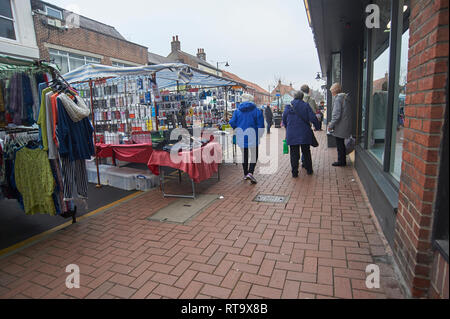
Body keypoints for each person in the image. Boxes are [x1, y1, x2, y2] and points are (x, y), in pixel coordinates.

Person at [282, 91, 320, 177]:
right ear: (302, 97)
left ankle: (294, 173)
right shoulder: (305, 105)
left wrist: (287, 127)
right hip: (304, 133)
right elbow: (313, 118)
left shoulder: (288, 107)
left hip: (292, 134)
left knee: (294, 153)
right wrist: (317, 126)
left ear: (294, 97)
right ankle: (309, 170)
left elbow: (284, 120)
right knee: (306, 152)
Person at [229, 100, 265, 184]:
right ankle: (250, 172)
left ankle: (245, 173)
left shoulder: (237, 111)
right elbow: (261, 125)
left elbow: (232, 122)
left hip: (241, 135)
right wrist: (260, 134)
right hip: (253, 135)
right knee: (254, 155)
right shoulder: (257, 111)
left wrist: (236, 127)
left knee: (244, 155)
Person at [328, 83, 352, 167]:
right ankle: (342, 160)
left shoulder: (338, 99)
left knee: (340, 144)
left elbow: (336, 114)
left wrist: (331, 125)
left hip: (340, 125)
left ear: (335, 91)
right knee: (341, 143)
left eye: (331, 91)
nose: (331, 93)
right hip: (345, 123)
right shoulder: (345, 97)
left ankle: (341, 161)